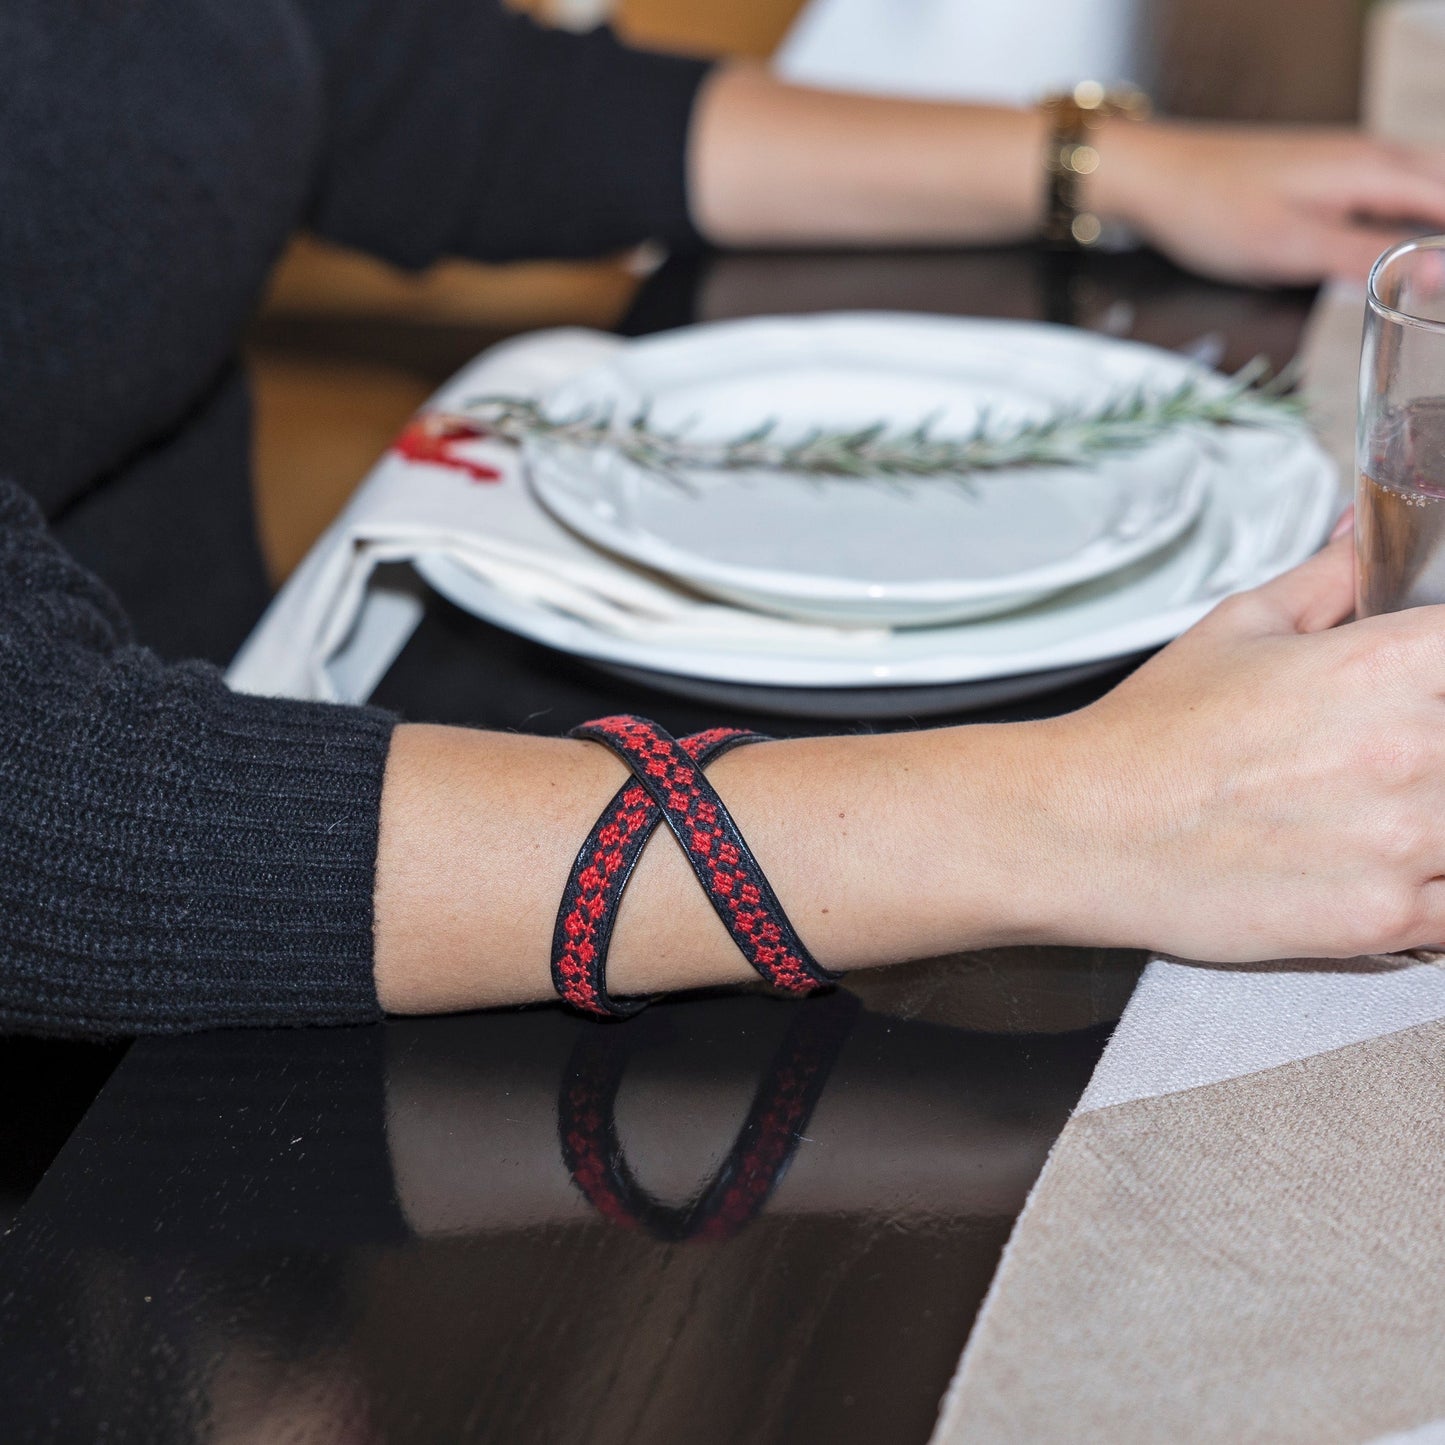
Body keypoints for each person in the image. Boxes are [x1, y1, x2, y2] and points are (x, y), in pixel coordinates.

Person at [6, 0, 1445, 1038]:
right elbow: (46, 808)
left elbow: (362, 69)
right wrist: (1090, 815)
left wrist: (1106, 168)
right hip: (152, 988)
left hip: (313, 829)